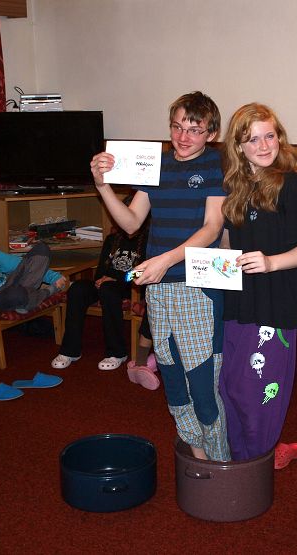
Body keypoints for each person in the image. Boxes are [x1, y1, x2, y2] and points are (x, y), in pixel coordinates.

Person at [91, 91, 229, 461]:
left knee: (203, 385)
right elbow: (131, 222)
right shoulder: (157, 165)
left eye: (195, 130)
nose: (183, 137)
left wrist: (165, 260)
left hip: (197, 286)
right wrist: (102, 185)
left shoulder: (216, 164)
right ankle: (198, 456)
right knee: (173, 381)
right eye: (177, 127)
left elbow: (212, 227)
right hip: (158, 287)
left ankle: (221, 464)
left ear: (211, 134)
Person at [217, 102, 297, 461]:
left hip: (274, 305)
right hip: (237, 302)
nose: (263, 146)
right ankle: (236, 459)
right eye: (253, 139)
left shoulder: (291, 185)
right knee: (229, 385)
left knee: (256, 391)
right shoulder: (234, 187)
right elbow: (229, 242)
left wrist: (270, 262)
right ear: (238, 146)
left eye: (269, 136)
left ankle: (255, 463)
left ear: (280, 138)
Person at [50, 200, 156, 385]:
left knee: (108, 290)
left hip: (130, 286)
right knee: (77, 289)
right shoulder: (112, 239)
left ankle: (117, 353)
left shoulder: (150, 239)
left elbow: (144, 271)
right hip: (106, 284)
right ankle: (70, 350)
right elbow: (101, 270)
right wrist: (101, 279)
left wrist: (117, 278)